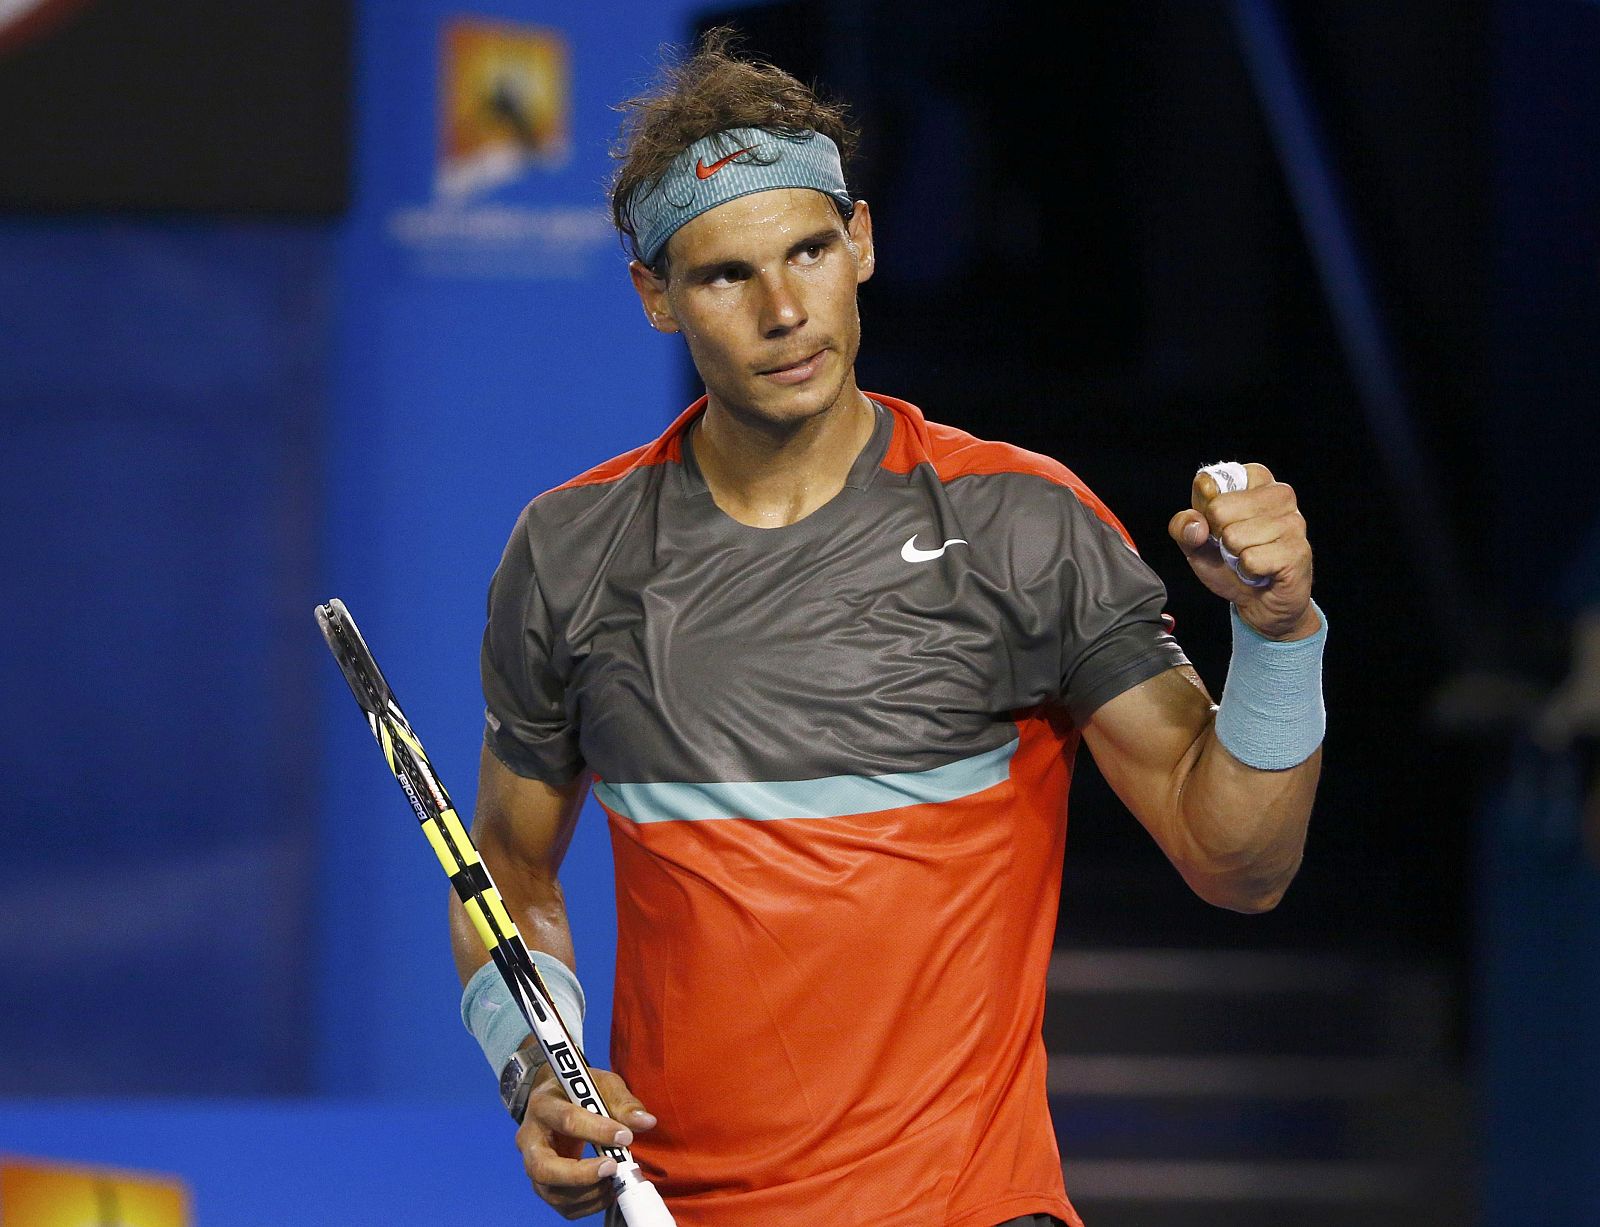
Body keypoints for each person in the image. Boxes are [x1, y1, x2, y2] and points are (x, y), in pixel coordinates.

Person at [452, 29, 1325, 1227]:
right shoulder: (570, 552)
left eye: (809, 250)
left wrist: (1279, 636)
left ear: (860, 242)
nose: (783, 309)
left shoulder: (1023, 524)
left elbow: (1242, 865)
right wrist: (529, 1072)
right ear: (655, 296)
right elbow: (509, 871)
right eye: (724, 275)